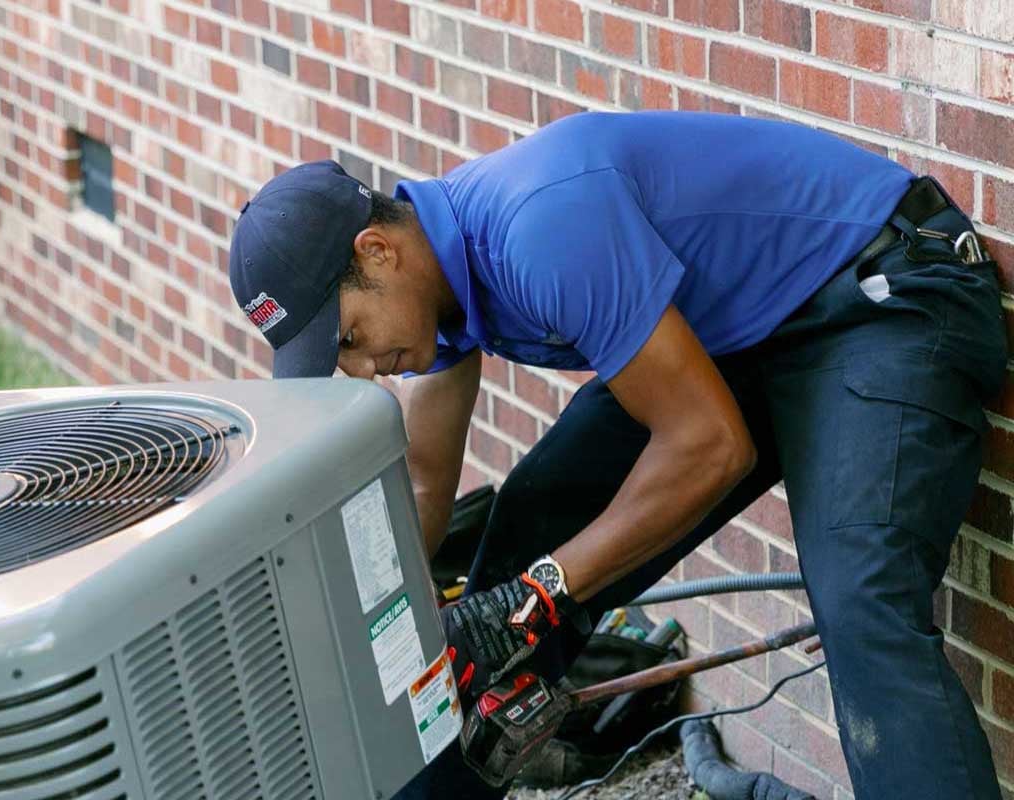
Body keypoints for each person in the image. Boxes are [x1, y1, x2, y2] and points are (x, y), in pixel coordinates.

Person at [227, 110, 1007, 799]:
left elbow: (710, 446)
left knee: (861, 599)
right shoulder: (435, 289)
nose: (362, 368)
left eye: (351, 338)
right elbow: (428, 487)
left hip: (885, 293)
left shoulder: (539, 229)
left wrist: (537, 597)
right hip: (747, 338)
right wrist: (371, 624)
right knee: (515, 557)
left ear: (379, 251)